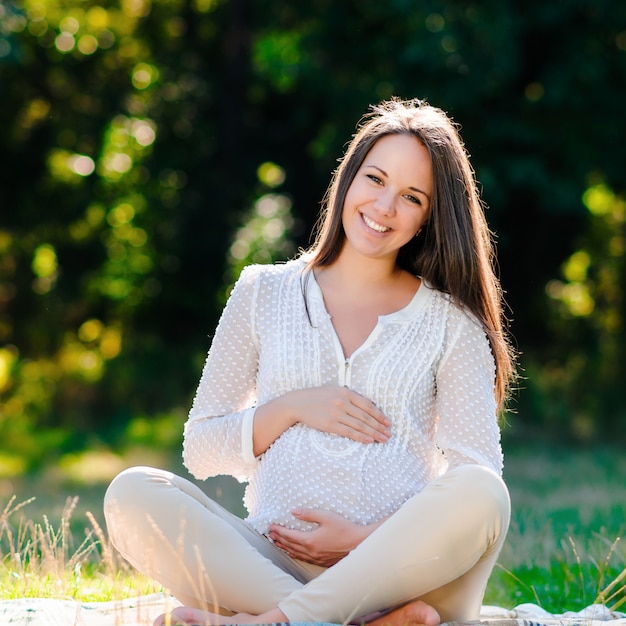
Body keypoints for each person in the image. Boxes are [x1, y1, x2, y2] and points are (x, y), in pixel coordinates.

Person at [104, 98, 516, 626]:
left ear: (430, 218)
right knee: (134, 492)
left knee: (483, 493)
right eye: (375, 179)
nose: (384, 206)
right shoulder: (263, 292)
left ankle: (277, 622)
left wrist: (365, 543)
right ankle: (334, 620)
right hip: (268, 564)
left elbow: (474, 472)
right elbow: (201, 448)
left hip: (402, 578)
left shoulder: (451, 324)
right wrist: (294, 407)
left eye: (411, 197)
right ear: (348, 180)